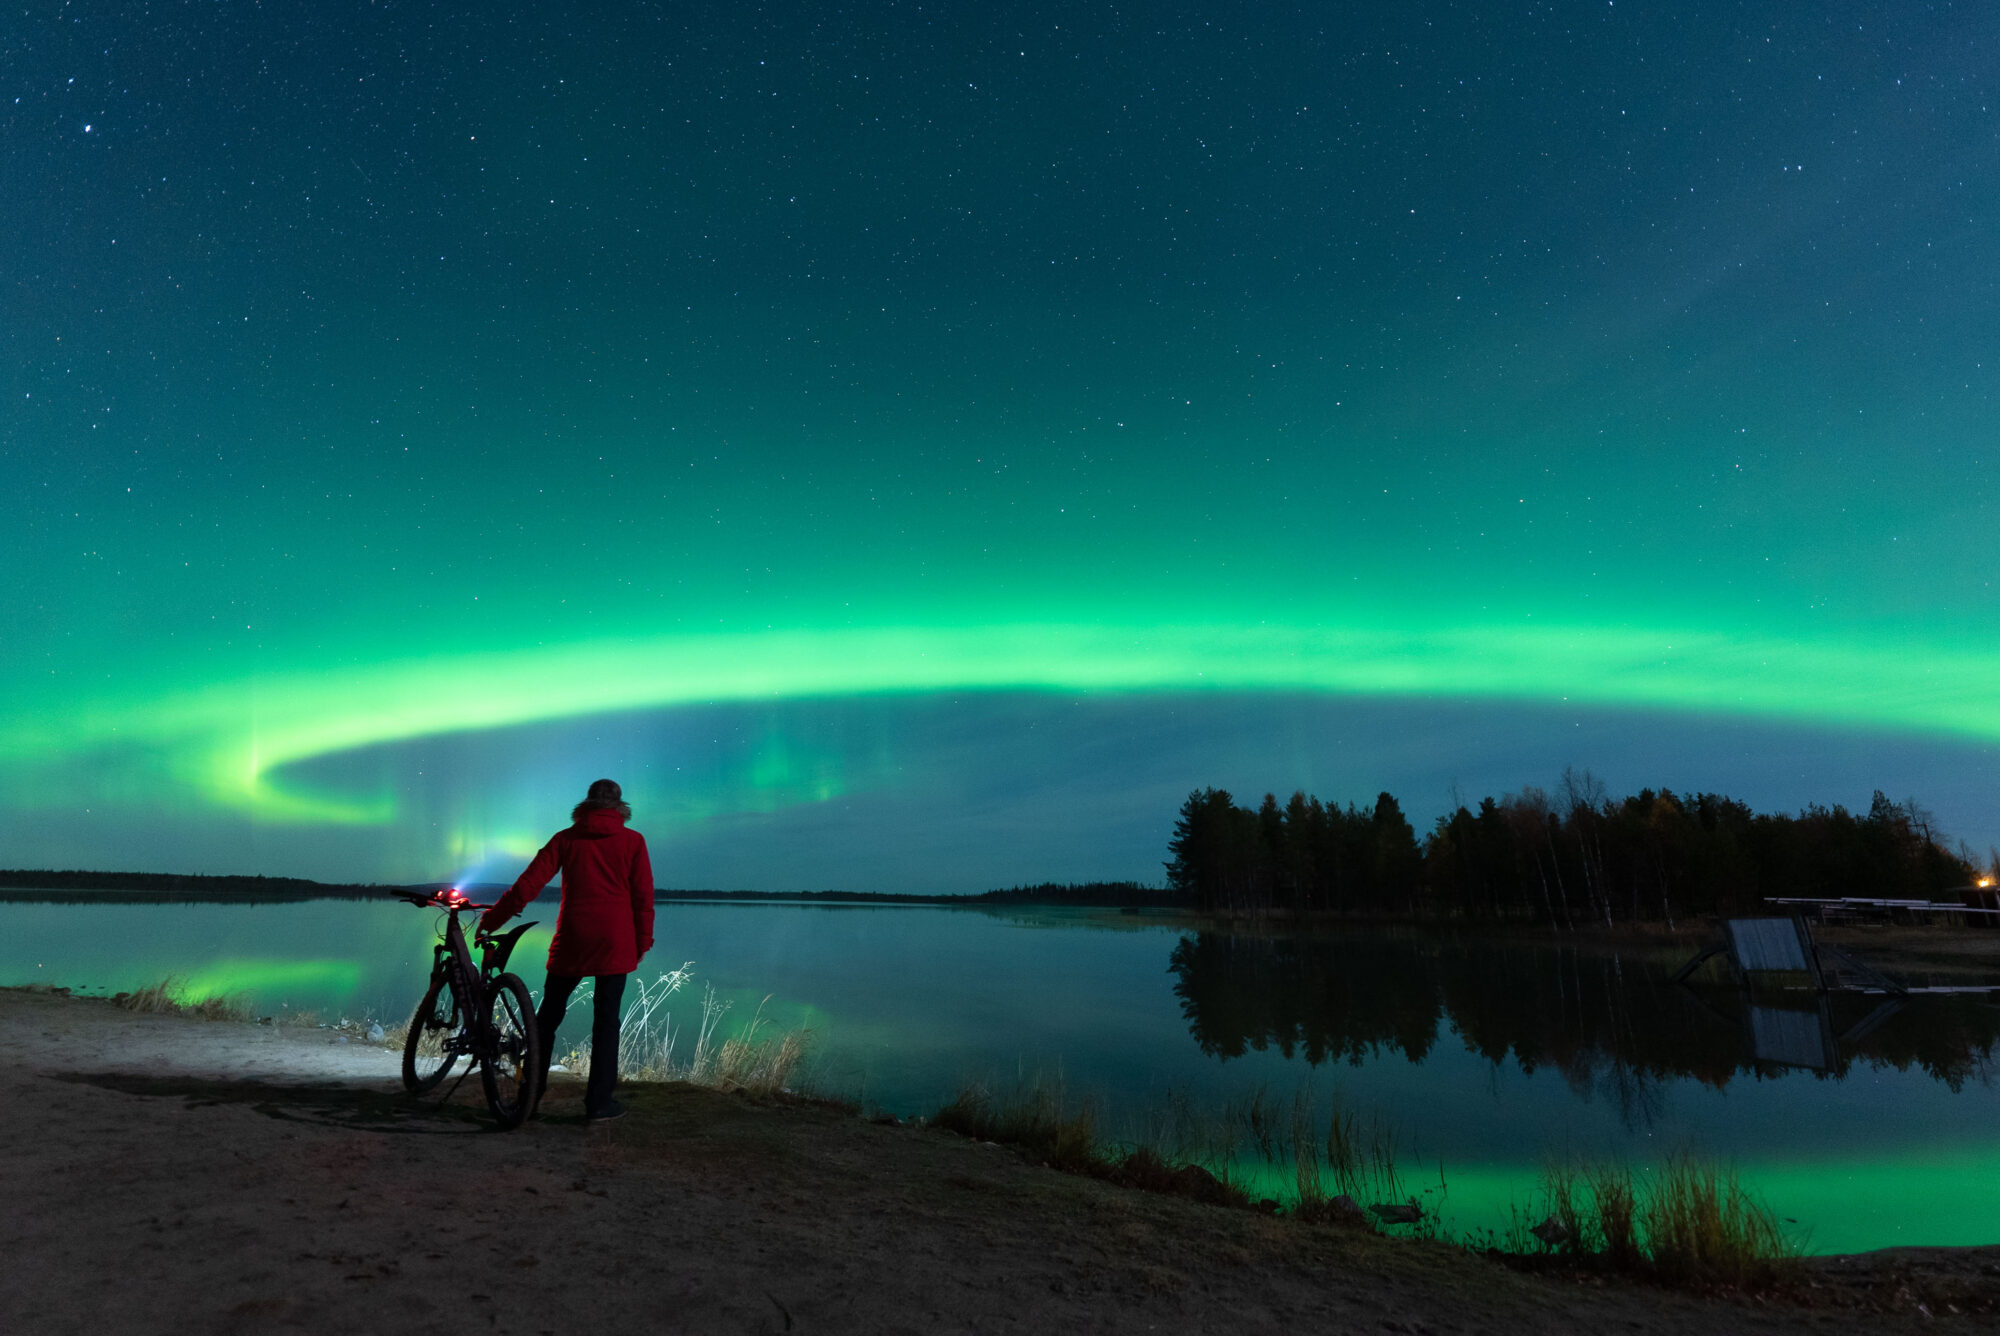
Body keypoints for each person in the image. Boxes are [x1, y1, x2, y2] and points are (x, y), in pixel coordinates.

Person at [479, 778, 654, 1122]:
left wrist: (493, 920)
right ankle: (599, 1104)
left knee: (547, 1018)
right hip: (614, 940)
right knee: (607, 1022)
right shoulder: (633, 841)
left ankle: (531, 1094)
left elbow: (528, 883)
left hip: (574, 937)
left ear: (587, 803)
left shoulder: (566, 839)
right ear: (620, 807)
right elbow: (643, 897)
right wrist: (643, 942)